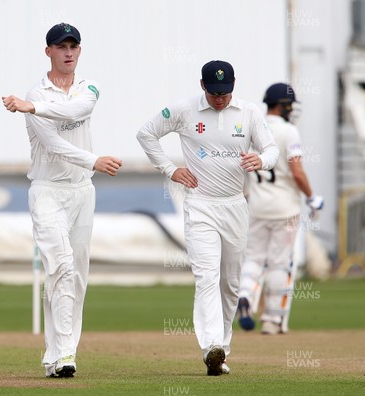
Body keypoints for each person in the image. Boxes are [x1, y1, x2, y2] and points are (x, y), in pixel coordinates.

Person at [136, 60, 279, 376]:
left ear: (234, 86)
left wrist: (262, 160)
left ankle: (222, 352)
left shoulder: (249, 112)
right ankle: (210, 346)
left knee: (230, 283)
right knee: (206, 277)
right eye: (214, 93)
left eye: (225, 93)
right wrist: (171, 169)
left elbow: (272, 149)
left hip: (235, 205)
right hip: (200, 205)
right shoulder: (185, 110)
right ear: (202, 86)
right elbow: (146, 134)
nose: (220, 99)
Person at [2, 22, 122, 378]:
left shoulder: (89, 88)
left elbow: (74, 113)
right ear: (48, 52)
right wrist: (94, 160)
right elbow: (55, 146)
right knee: (60, 267)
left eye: (73, 47)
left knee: (76, 277)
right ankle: (66, 354)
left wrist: (32, 108)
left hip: (82, 191)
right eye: (61, 47)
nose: (68, 53)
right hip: (47, 191)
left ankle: (55, 356)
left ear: (79, 51)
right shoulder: (35, 91)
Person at [237, 83, 324, 335]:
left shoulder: (252, 129)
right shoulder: (289, 132)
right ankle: (272, 320)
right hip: (285, 209)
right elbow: (297, 172)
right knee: (280, 263)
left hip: (257, 206)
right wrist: (312, 197)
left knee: (253, 259)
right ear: (283, 106)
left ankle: (245, 297)